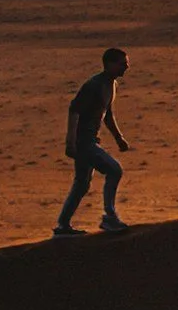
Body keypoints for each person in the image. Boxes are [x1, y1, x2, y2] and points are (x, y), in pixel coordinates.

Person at [56, 47, 132, 234]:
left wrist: (118, 138)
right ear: (110, 64)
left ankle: (62, 225)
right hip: (84, 142)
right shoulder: (94, 85)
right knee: (114, 170)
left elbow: (107, 114)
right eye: (123, 63)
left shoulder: (111, 85)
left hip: (90, 140)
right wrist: (70, 142)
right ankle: (109, 217)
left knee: (82, 183)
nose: (127, 67)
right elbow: (74, 110)